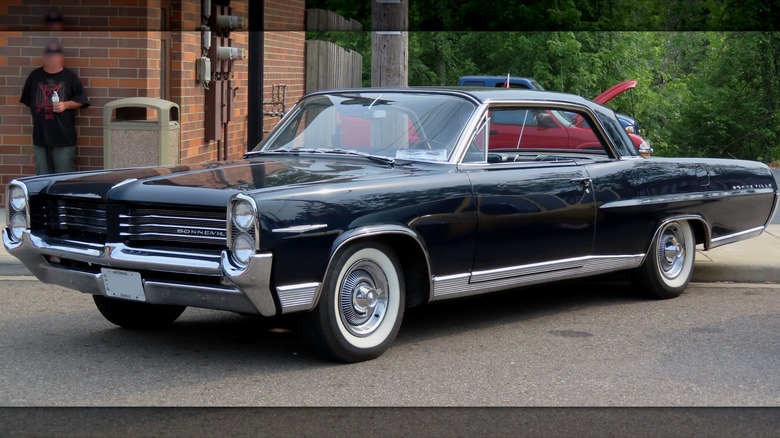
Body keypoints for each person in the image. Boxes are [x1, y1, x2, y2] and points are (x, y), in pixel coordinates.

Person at [20, 42, 90, 175]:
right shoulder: (34, 76)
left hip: (63, 137)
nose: (52, 58)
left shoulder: (70, 77)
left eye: (55, 55)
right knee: (42, 178)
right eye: (49, 55)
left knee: (63, 178)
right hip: (41, 137)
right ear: (44, 57)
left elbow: (82, 100)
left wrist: (65, 105)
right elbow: (28, 101)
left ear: (61, 57)